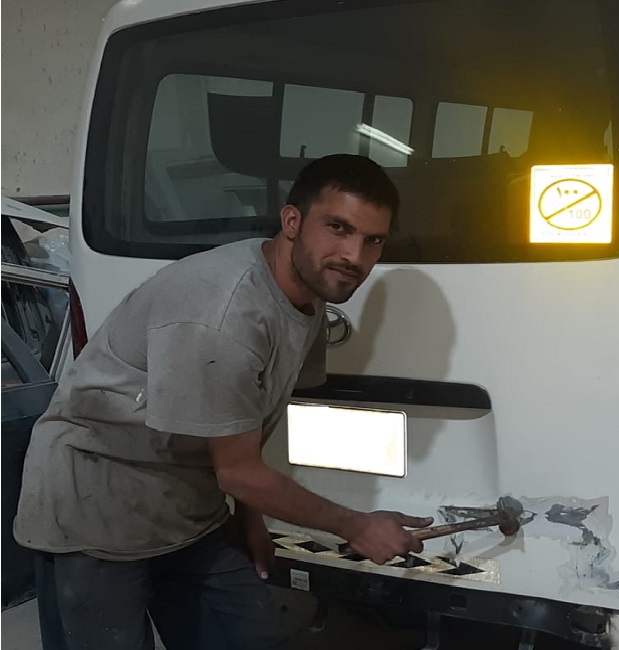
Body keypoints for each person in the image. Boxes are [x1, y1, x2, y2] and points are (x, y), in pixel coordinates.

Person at [13, 154, 433, 650]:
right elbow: (237, 471)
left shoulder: (306, 296)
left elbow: (247, 423)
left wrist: (249, 518)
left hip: (186, 504)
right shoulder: (225, 314)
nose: (354, 256)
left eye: (373, 240)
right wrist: (356, 525)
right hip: (96, 506)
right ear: (292, 221)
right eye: (338, 228)